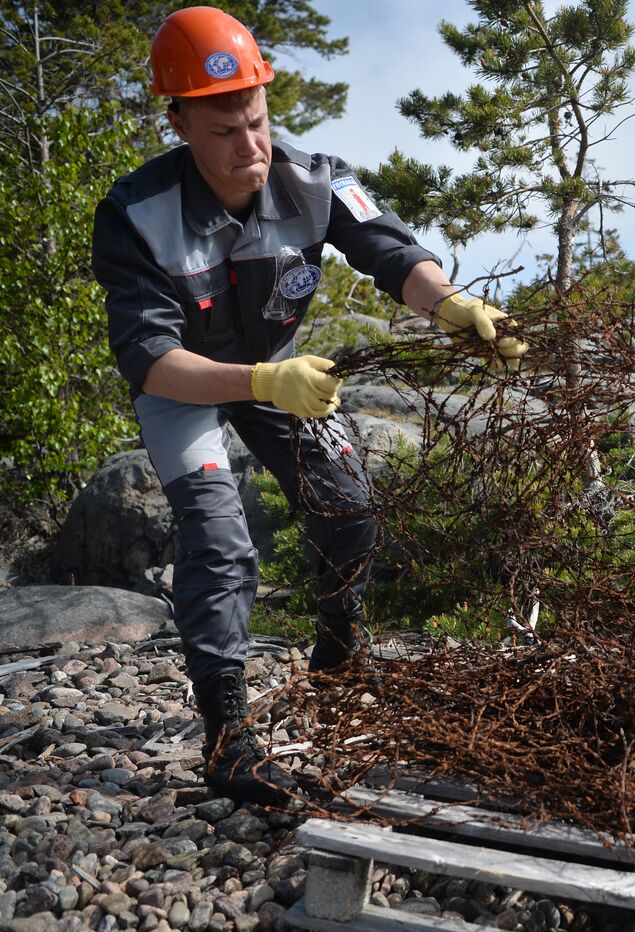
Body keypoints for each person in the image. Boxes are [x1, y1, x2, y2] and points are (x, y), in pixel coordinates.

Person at [92, 6, 525, 803]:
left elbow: (387, 250)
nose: (250, 147)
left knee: (351, 505)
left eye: (256, 121)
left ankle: (338, 651)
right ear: (178, 120)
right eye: (224, 132)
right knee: (222, 545)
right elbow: (150, 359)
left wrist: (455, 306)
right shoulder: (132, 214)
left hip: (279, 372)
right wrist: (257, 382)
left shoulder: (316, 177)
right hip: (189, 386)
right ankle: (228, 741)